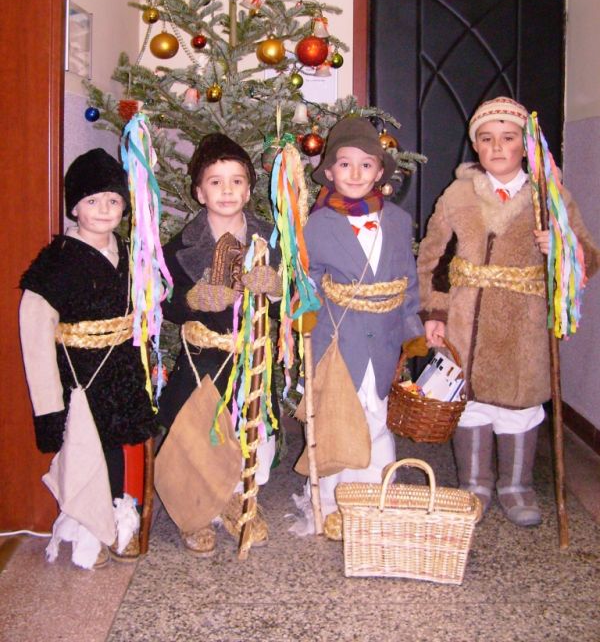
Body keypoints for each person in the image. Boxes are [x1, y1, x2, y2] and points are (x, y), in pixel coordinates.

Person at [417, 96, 600, 526]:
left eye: (508, 138)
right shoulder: (458, 195)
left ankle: (516, 485)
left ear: (525, 145)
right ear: (475, 146)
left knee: (520, 407)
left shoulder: (550, 196)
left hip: (524, 325)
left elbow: (588, 256)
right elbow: (433, 258)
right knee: (470, 405)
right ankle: (475, 484)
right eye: (486, 139)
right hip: (466, 323)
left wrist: (562, 249)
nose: (497, 147)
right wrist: (434, 314)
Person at [19, 148, 158, 569]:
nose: (104, 209)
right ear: (74, 207)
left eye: (113, 201)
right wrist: (48, 409)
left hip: (120, 370)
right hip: (78, 376)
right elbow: (35, 334)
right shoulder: (56, 262)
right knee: (83, 449)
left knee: (115, 449)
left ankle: (115, 521)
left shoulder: (130, 251)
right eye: (92, 200)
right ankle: (87, 527)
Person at [292, 116, 423, 540]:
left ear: (380, 171)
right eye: (344, 164)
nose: (355, 173)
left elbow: (407, 280)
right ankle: (331, 502)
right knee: (336, 417)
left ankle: (375, 496)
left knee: (376, 416)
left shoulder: (398, 221)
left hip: (382, 339)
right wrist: (304, 309)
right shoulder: (317, 223)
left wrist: (412, 329)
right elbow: (309, 278)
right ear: (329, 172)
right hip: (337, 337)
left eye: (366, 165)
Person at [157, 132, 281, 555]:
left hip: (250, 359)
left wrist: (276, 288)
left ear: (248, 190)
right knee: (199, 434)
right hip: (203, 359)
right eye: (215, 181)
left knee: (252, 432)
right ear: (199, 192)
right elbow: (161, 300)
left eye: (236, 181)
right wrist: (192, 299)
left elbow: (294, 298)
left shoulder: (271, 239)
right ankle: (197, 511)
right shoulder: (181, 246)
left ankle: (238, 500)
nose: (227, 190)